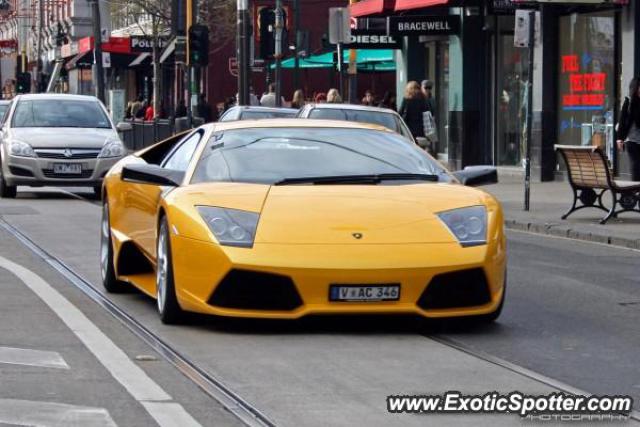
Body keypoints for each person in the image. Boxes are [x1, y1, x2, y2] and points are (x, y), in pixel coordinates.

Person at [616, 76, 640, 181]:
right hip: (632, 140)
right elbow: (622, 120)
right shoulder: (629, 102)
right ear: (636, 88)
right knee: (636, 165)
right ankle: (635, 189)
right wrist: (620, 138)